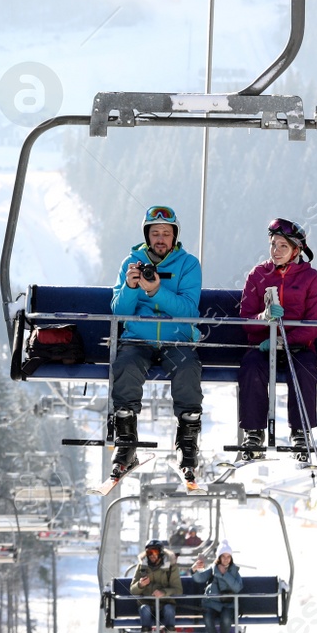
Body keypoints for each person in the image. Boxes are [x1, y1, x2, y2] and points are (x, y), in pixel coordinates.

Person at [111, 205, 204, 481]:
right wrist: (130, 287)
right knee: (126, 367)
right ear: (147, 236)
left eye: (166, 233)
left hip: (176, 340)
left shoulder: (188, 265)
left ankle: (187, 444)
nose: (161, 239)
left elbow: (188, 311)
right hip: (138, 339)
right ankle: (126, 441)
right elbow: (119, 310)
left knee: (188, 371)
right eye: (155, 233)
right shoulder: (132, 261)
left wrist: (155, 291)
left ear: (174, 236)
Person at [236, 218, 317, 463]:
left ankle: (300, 431)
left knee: (304, 368)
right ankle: (253, 432)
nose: (276, 251)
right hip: (263, 346)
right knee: (252, 367)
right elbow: (245, 319)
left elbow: (315, 323)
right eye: (273, 245)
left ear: (296, 251)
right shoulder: (258, 275)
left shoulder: (310, 278)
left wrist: (286, 341)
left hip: (298, 346)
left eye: (283, 247)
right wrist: (263, 318)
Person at [193, 541, 243, 633]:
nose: (226, 559)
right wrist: (196, 569)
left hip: (228, 604)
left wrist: (223, 574)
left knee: (226, 618)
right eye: (223, 556)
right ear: (219, 558)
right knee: (208, 618)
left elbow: (237, 587)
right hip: (212, 603)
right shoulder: (213, 569)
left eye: (228, 557)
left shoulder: (234, 571)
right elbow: (199, 579)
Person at [131, 538, 183, 633]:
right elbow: (132, 590)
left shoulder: (171, 567)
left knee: (169, 609)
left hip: (165, 602)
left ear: (160, 553)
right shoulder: (142, 567)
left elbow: (178, 589)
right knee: (144, 609)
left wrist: (164, 593)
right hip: (148, 603)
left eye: (154, 552)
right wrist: (140, 585)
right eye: (149, 553)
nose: (152, 556)